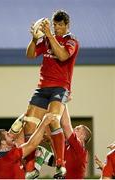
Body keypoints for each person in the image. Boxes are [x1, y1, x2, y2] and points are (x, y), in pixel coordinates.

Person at [25, 9, 79, 178]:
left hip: (60, 88)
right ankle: (32, 168)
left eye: (60, 25)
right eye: (55, 25)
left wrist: (49, 35)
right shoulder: (48, 39)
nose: (57, 28)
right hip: (42, 87)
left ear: (67, 25)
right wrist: (34, 39)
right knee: (29, 124)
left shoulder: (71, 41)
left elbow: (63, 56)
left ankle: (60, 165)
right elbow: (30, 55)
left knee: (53, 119)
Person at [0, 113, 54, 179]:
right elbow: (31, 144)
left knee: (37, 152)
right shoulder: (10, 156)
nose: (11, 135)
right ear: (3, 142)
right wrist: (44, 123)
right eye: (7, 134)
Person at [61, 105, 91, 179]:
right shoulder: (69, 146)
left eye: (77, 129)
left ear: (82, 136)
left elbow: (66, 125)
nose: (74, 129)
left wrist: (63, 102)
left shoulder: (80, 148)